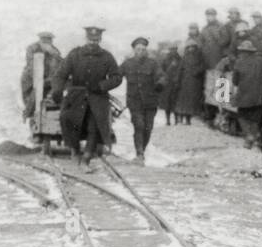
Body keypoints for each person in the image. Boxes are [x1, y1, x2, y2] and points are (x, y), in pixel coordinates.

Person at [51, 22, 123, 170]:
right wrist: (57, 91)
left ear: (100, 40)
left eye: (96, 41)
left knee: (94, 127)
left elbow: (117, 77)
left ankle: (86, 159)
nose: (93, 43)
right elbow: (60, 74)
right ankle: (75, 151)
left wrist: (102, 86)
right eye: (91, 40)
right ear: (86, 39)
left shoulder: (107, 57)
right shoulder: (75, 54)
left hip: (98, 99)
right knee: (69, 121)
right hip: (76, 97)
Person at [120, 36, 166, 162]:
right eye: (138, 49)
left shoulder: (153, 63)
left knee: (148, 128)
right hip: (134, 102)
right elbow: (116, 76)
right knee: (139, 125)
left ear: (146, 50)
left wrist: (160, 83)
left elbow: (161, 76)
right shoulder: (127, 64)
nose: (140, 51)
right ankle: (139, 153)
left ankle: (142, 150)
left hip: (150, 102)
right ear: (134, 50)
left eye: (143, 49)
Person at [230, 39, 262, 150]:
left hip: (244, 95)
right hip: (259, 95)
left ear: (242, 51)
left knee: (241, 116)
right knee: (255, 118)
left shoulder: (239, 62)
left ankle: (249, 136)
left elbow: (235, 81)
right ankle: (254, 136)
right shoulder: (261, 61)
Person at [21, 31, 63, 119]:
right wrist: (45, 80)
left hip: (48, 81)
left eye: (49, 42)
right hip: (31, 81)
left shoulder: (54, 51)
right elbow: (32, 67)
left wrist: (54, 55)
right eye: (44, 42)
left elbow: (61, 65)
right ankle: (28, 113)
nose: (47, 44)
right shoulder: (32, 48)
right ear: (40, 41)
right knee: (35, 95)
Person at [176, 36, 206, 124]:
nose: (191, 49)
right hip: (185, 82)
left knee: (192, 101)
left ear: (195, 47)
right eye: (189, 47)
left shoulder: (199, 57)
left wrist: (197, 71)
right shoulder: (184, 58)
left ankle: (190, 117)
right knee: (184, 101)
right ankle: (185, 118)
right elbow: (180, 69)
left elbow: (203, 66)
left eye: (192, 47)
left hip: (195, 82)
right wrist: (178, 81)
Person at [160, 42, 182, 125]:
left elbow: (181, 70)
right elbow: (162, 71)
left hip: (176, 83)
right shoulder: (165, 59)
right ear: (169, 50)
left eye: (175, 49)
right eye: (172, 49)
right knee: (168, 102)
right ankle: (168, 120)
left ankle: (176, 120)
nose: (173, 51)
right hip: (168, 84)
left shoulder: (180, 59)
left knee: (176, 101)